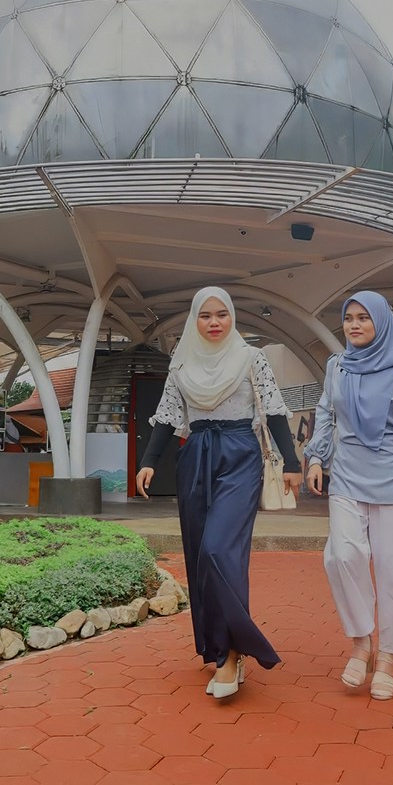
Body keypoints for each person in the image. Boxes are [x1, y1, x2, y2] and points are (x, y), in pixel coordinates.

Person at [136, 287, 301, 699]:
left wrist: (292, 463)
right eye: (205, 315)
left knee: (218, 549)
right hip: (195, 456)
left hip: (240, 455)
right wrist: (149, 460)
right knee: (199, 554)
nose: (214, 322)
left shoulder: (252, 358)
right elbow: (168, 416)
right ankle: (220, 648)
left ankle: (231, 654)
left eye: (222, 314)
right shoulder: (182, 362)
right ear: (195, 321)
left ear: (232, 319)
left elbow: (275, 410)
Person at [305, 291, 393, 699]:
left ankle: (387, 657)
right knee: (342, 555)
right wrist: (316, 457)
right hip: (348, 476)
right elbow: (325, 412)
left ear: (381, 323)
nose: (354, 325)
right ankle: (362, 641)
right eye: (348, 318)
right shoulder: (337, 367)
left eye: (364, 318)